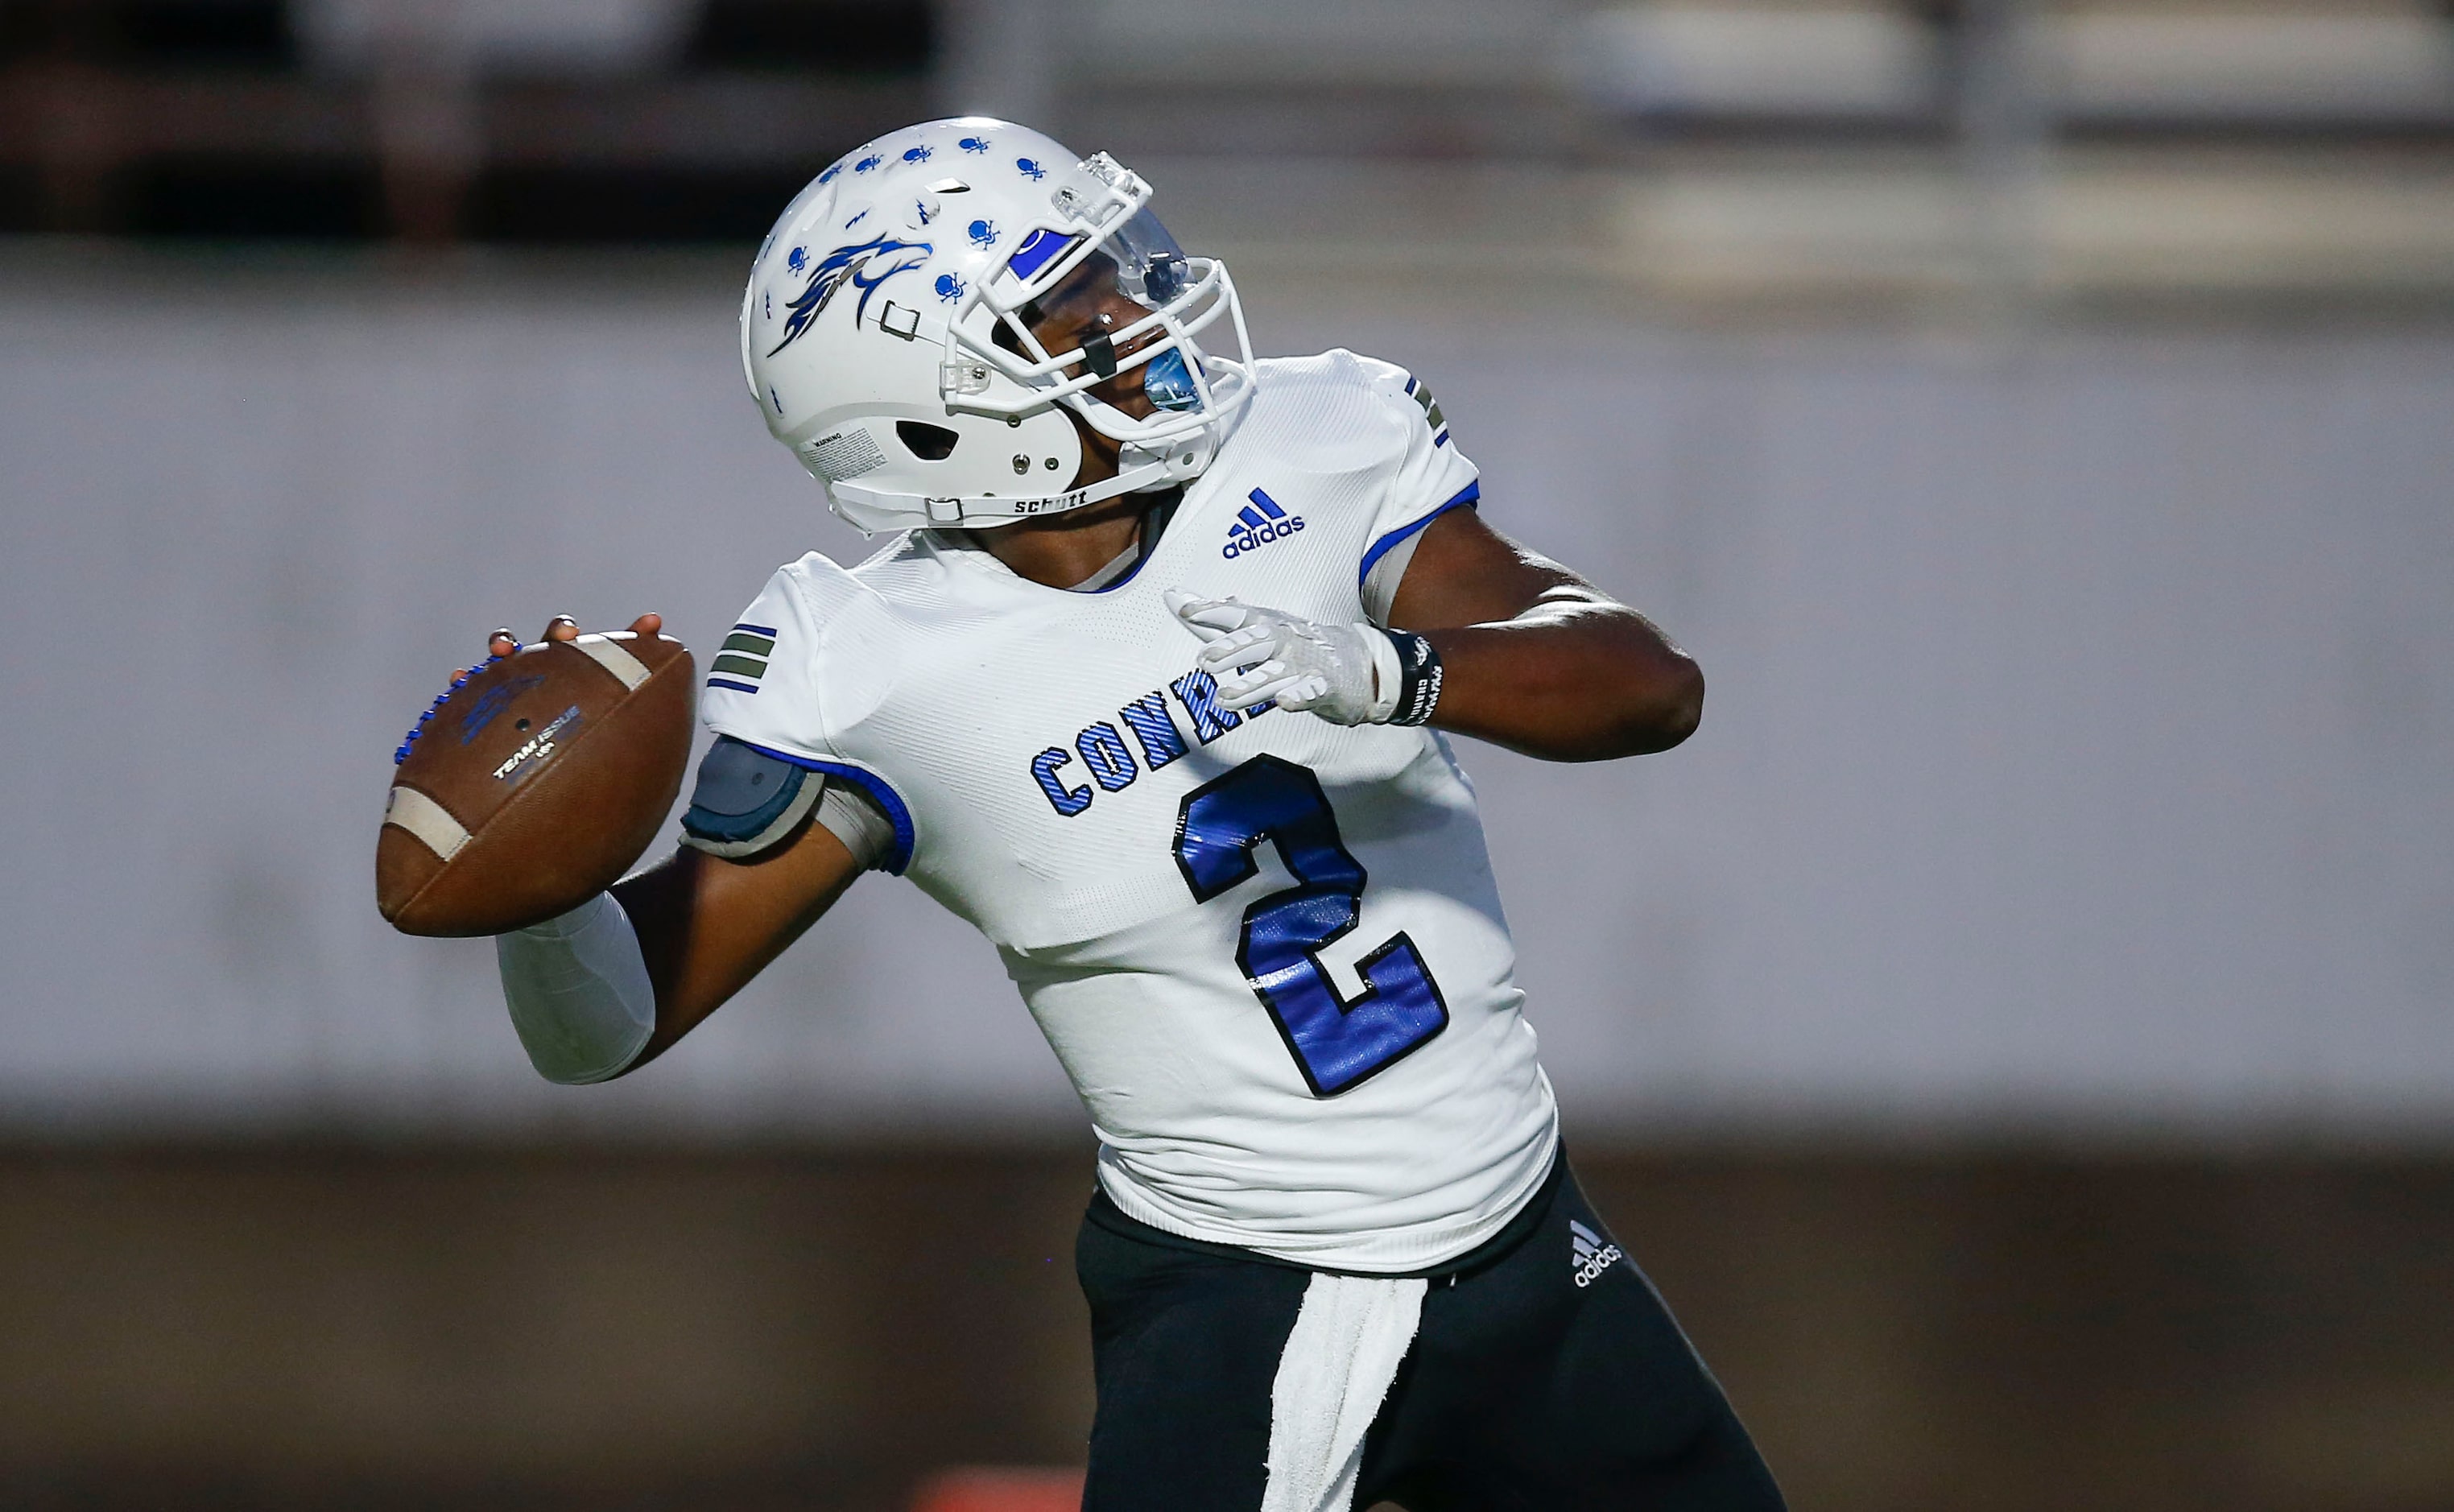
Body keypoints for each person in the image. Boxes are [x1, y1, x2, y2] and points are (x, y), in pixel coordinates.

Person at [477, 118, 1785, 1511]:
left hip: (1527, 1236)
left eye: (1114, 268)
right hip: (1245, 1292)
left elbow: (1651, 688)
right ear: (932, 413)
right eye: (1064, 303)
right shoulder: (864, 665)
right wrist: (540, 884)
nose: (1134, 312)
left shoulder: (1313, 444)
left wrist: (1389, 667)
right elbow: (605, 1021)